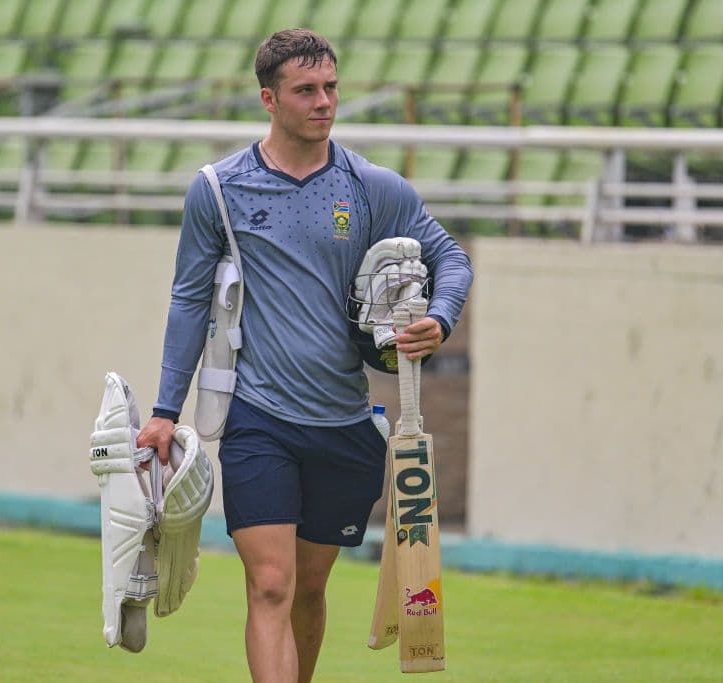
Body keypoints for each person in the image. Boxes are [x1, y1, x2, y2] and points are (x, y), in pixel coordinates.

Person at [136, 28, 473, 683]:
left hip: (346, 425)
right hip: (258, 421)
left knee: (309, 593)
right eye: (306, 90)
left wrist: (440, 316)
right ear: (269, 98)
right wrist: (162, 409)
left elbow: (449, 257)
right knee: (269, 584)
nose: (325, 101)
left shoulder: (372, 188)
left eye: (331, 87)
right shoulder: (219, 189)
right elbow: (188, 301)